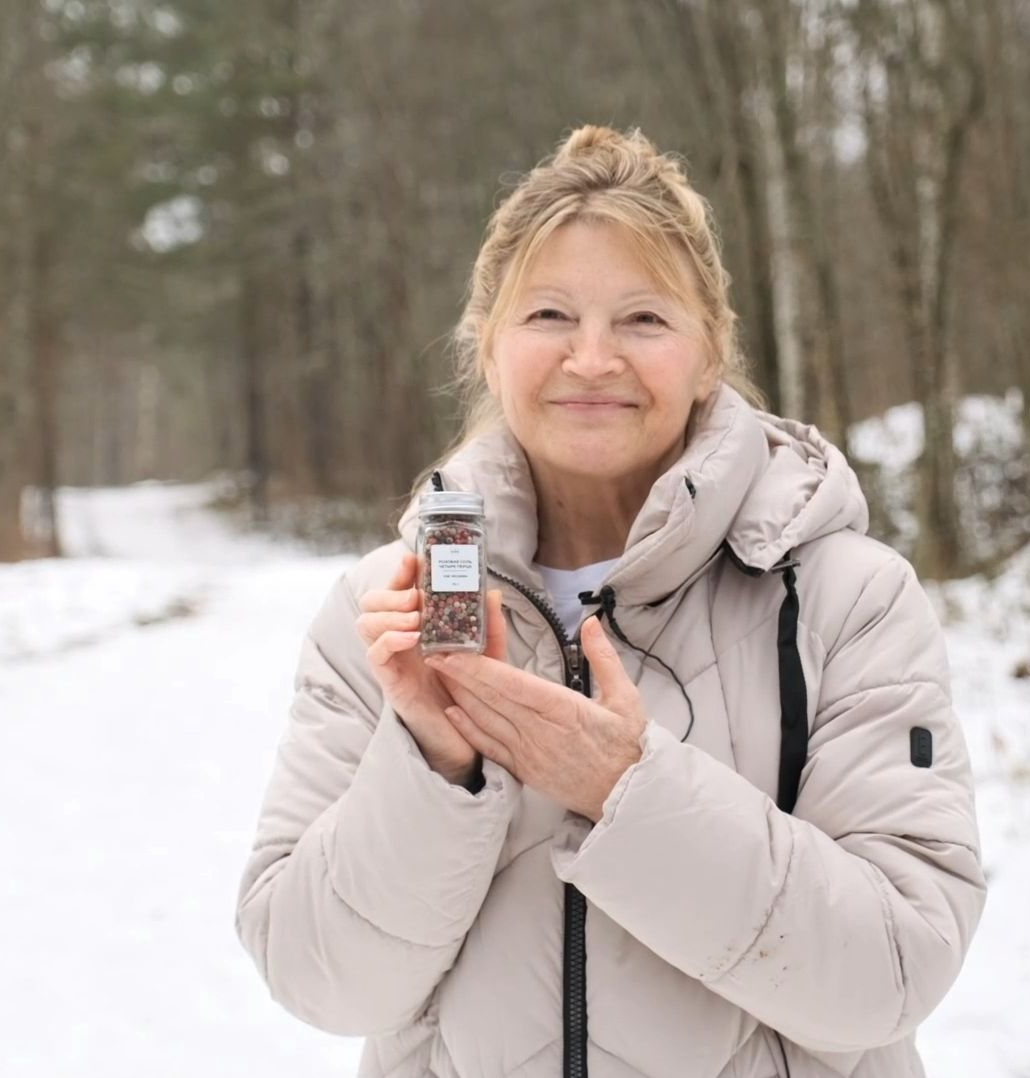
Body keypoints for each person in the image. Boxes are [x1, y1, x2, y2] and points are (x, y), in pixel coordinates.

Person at [235, 124, 985, 1078]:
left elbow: (893, 970)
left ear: (709, 354)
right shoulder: (382, 614)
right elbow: (320, 982)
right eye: (549, 316)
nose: (592, 360)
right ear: (488, 347)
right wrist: (433, 758)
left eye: (643, 320)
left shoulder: (847, 600)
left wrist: (628, 791)